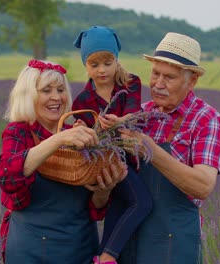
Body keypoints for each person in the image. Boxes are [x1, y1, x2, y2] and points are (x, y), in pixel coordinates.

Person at [0, 59, 128, 263]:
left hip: (79, 248)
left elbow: (95, 210)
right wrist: (57, 140)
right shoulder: (19, 132)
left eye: (60, 89)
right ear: (29, 95)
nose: (56, 97)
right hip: (31, 249)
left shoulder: (77, 133)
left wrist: (103, 189)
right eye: (46, 90)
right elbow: (8, 178)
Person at [118, 32, 220, 263]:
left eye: (169, 77)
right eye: (155, 73)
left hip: (173, 243)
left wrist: (152, 150)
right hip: (130, 240)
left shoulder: (206, 119)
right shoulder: (141, 114)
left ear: (192, 80)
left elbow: (203, 185)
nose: (158, 84)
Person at [72, 26, 153, 264]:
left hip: (132, 157)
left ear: (117, 60)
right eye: (94, 64)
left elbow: (134, 114)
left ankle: (101, 257)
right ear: (85, 65)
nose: (102, 70)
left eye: (108, 62)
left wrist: (119, 121)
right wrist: (81, 128)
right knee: (142, 202)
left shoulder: (130, 83)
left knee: (119, 207)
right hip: (105, 163)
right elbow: (83, 141)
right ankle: (108, 256)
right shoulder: (83, 100)